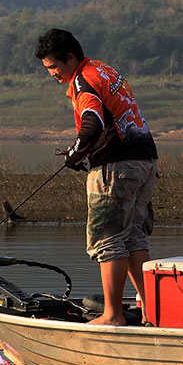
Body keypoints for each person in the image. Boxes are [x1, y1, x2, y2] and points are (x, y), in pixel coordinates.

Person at [35, 27, 157, 325]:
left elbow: (92, 123)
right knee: (133, 238)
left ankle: (113, 316)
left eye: (53, 66)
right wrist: (84, 153)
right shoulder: (104, 70)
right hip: (145, 161)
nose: (51, 73)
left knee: (108, 240)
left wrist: (76, 153)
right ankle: (152, 311)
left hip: (116, 168)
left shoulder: (83, 80)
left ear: (70, 57)